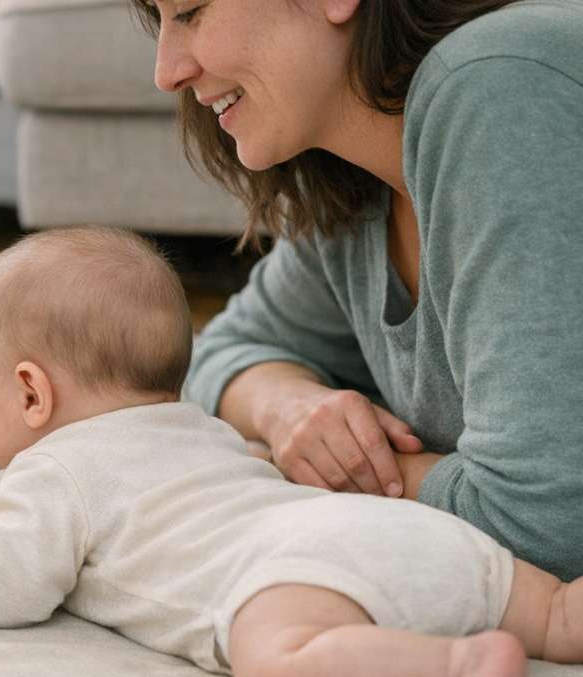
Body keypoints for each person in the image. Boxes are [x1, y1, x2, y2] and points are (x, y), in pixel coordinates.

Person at [0, 227, 583, 677]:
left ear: (31, 392)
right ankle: (559, 612)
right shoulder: (202, 428)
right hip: (395, 529)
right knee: (554, 614)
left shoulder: (52, 473)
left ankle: (458, 668)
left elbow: (4, 584)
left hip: (297, 579)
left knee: (274, 673)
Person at [133, 0, 583, 580]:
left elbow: (547, 529)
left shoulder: (500, 85)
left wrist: (339, 473)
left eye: (191, 11)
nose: (167, 73)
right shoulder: (360, 179)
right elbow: (219, 352)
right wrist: (289, 409)